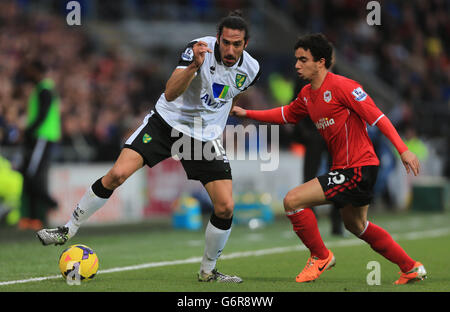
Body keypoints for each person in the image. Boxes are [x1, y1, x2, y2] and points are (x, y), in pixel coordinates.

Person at [37, 11, 261, 283]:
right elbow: (170, 92)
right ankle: (68, 229)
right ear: (217, 39)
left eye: (236, 44)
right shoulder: (197, 50)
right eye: (225, 42)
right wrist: (193, 68)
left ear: (246, 44)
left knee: (225, 207)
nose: (230, 49)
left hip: (204, 138)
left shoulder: (251, 69)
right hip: (166, 125)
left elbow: (227, 92)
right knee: (117, 174)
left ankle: (207, 272)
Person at [231, 33, 426, 285]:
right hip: (348, 168)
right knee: (357, 226)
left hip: (358, 167)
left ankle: (320, 256)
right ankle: (410, 267)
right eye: (296, 60)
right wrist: (246, 112)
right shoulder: (306, 95)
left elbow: (378, 117)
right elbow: (286, 114)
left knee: (292, 200)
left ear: (321, 62)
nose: (297, 65)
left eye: (303, 60)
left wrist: (404, 150)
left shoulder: (345, 87)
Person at [19, 60, 60, 230]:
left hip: (42, 137)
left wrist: (29, 130)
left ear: (36, 71)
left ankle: (47, 205)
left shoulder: (44, 90)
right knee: (31, 175)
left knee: (33, 175)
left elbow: (42, 115)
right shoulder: (42, 89)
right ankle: (32, 217)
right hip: (40, 137)